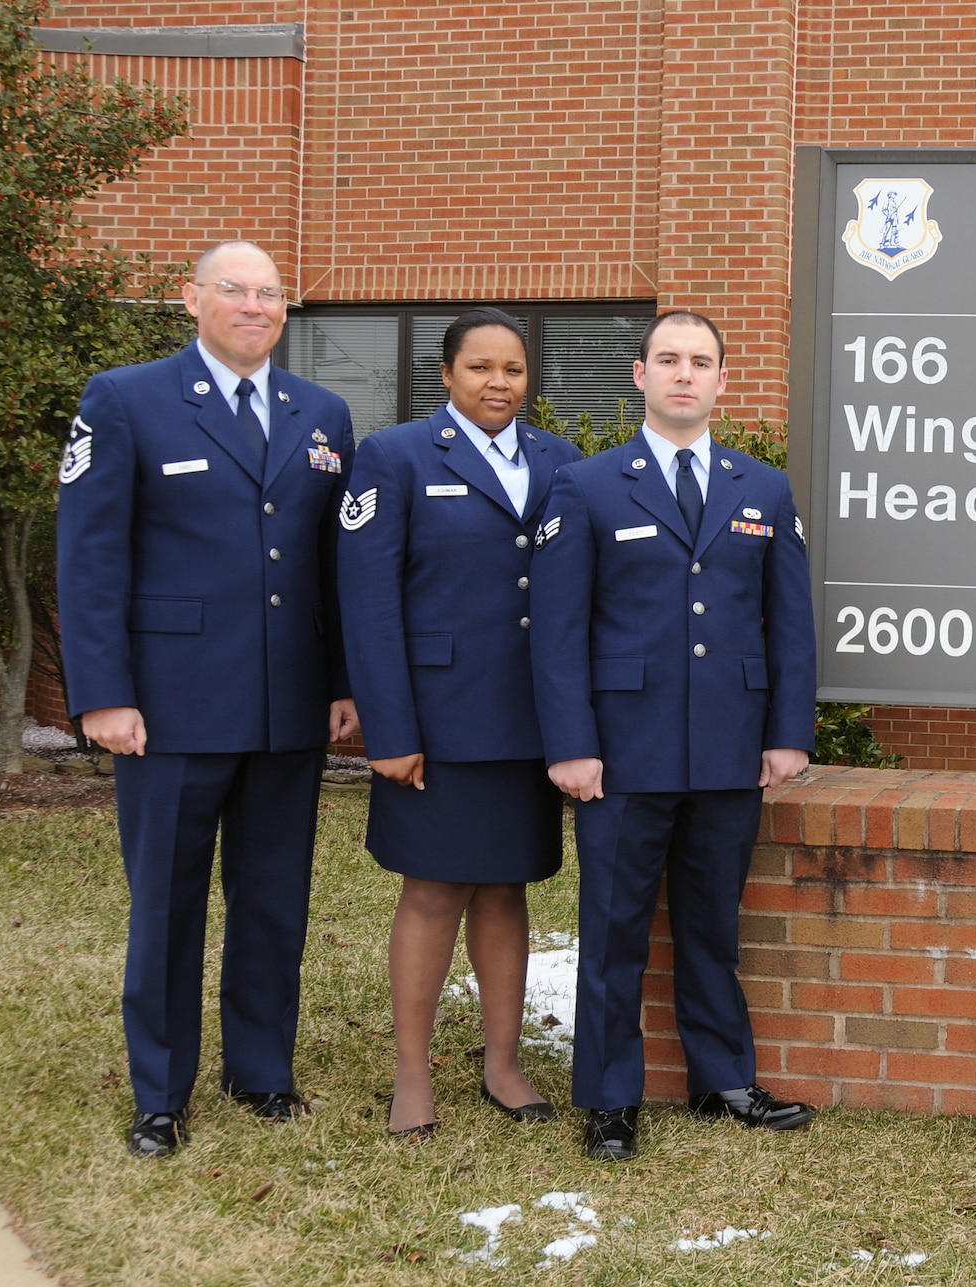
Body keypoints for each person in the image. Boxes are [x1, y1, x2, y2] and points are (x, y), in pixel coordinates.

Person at [55, 240, 359, 1158]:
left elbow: (331, 568)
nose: (256, 306)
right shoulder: (126, 399)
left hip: (286, 706)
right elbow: (91, 556)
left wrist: (342, 682)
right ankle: (161, 1089)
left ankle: (261, 1070)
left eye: (270, 293)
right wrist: (103, 693)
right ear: (192, 299)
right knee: (169, 903)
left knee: (273, 900)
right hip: (171, 707)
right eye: (235, 289)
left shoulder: (323, 414)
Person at [529, 309, 818, 1160]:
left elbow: (789, 625)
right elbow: (556, 631)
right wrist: (570, 743)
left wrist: (786, 731)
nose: (684, 374)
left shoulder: (761, 488)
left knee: (709, 926)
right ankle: (612, 1098)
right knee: (613, 930)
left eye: (700, 362)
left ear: (723, 380)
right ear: (640, 375)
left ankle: (723, 1078)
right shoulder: (586, 486)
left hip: (731, 749)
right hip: (621, 752)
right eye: (668, 360)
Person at [337, 309, 582, 1137]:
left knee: (507, 888)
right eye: (480, 367)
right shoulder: (395, 456)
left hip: (528, 721)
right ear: (446, 374)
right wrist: (390, 730)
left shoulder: (560, 460)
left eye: (512, 369)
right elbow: (368, 606)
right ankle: (413, 1077)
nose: (498, 384)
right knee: (435, 889)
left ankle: (503, 1064)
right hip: (436, 722)